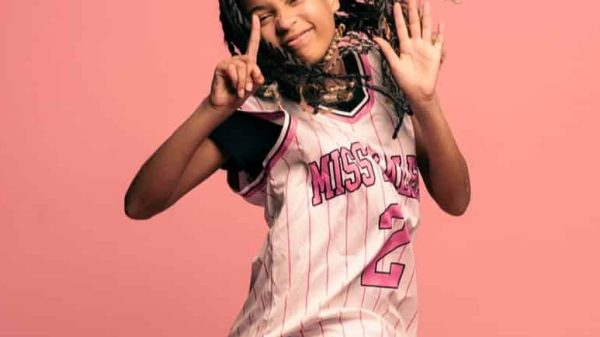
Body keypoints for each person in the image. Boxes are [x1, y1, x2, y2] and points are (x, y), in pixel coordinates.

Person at [124, 0, 470, 336]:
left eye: (294, 0)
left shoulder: (389, 76)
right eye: (264, 14)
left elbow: (456, 199)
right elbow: (141, 202)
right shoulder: (265, 111)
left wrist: (426, 102)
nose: (286, 20)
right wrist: (212, 109)